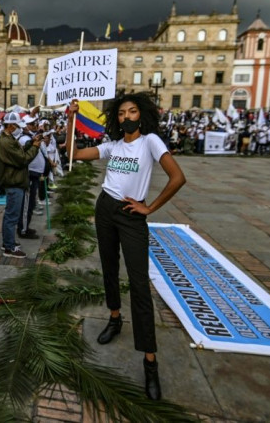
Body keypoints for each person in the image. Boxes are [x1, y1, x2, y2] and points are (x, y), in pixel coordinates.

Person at [66, 92, 186, 401]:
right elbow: (74, 155)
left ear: (142, 114)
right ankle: (115, 317)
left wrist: (150, 207)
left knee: (139, 284)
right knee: (108, 266)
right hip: (105, 207)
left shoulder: (150, 142)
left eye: (132, 111)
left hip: (133, 214)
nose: (126, 117)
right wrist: (70, 119)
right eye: (121, 113)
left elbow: (177, 177)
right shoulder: (113, 146)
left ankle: (150, 363)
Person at [0, 112, 42, 258]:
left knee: (10, 215)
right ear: (10, 126)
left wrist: (30, 143)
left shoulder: (8, 139)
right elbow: (22, 159)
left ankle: (7, 242)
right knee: (12, 216)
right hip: (13, 182)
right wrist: (35, 147)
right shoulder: (6, 142)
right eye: (17, 126)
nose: (19, 129)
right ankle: (9, 247)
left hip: (14, 181)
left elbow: (18, 152)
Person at [17, 115, 47, 239]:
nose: (34, 126)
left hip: (34, 173)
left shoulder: (29, 137)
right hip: (30, 173)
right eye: (31, 125)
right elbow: (28, 155)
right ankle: (23, 230)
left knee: (30, 203)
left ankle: (25, 226)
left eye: (34, 124)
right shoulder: (24, 139)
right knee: (27, 204)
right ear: (25, 126)